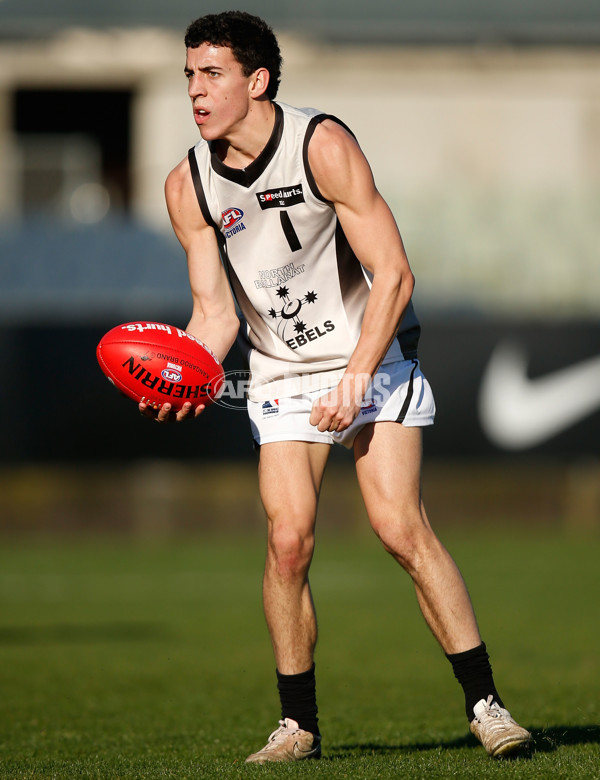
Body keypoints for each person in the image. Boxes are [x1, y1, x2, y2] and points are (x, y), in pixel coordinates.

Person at [139, 10, 531, 764]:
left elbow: (395, 275)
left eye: (211, 73)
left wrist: (357, 379)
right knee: (287, 541)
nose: (194, 88)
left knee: (400, 530)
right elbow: (215, 313)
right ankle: (299, 727)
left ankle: (487, 706)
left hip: (372, 356)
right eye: (188, 73)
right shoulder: (186, 184)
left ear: (256, 81)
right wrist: (188, 369)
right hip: (281, 371)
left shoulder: (322, 144)